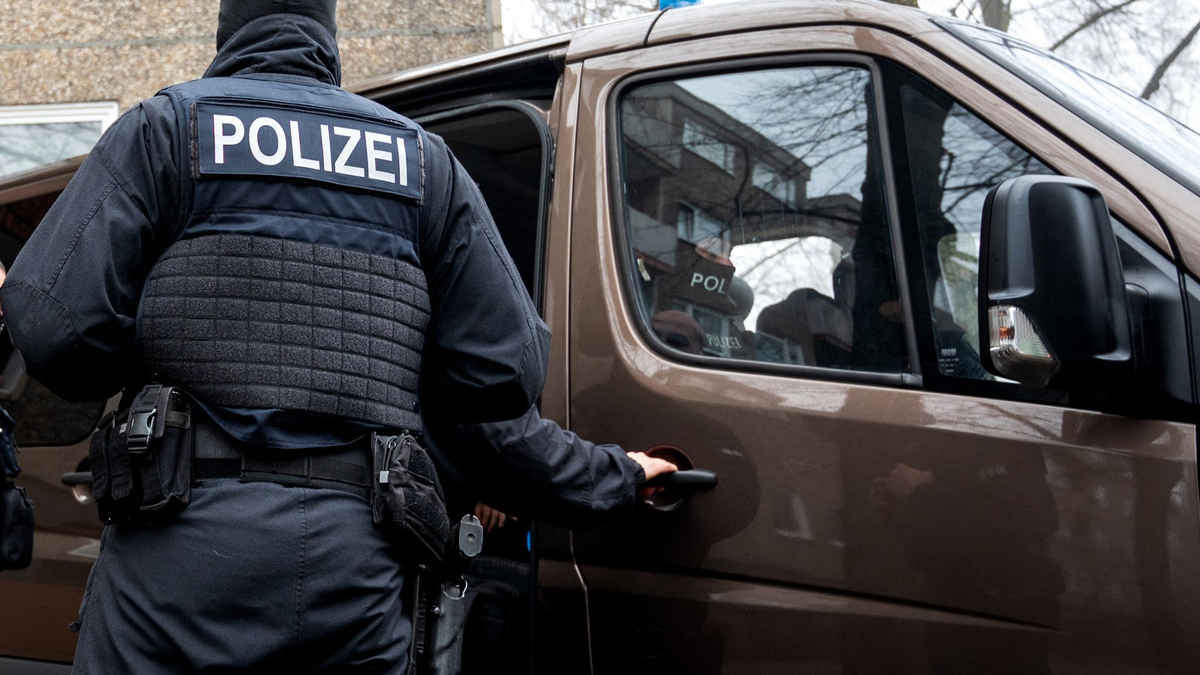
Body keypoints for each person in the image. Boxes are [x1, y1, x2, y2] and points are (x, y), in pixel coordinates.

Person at [0, 1, 674, 672]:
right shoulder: (421, 162)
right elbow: (506, 369)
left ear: (228, 31)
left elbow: (50, 323)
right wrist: (395, 375)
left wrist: (151, 357)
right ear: (328, 38)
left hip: (175, 554)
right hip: (354, 569)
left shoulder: (167, 129)